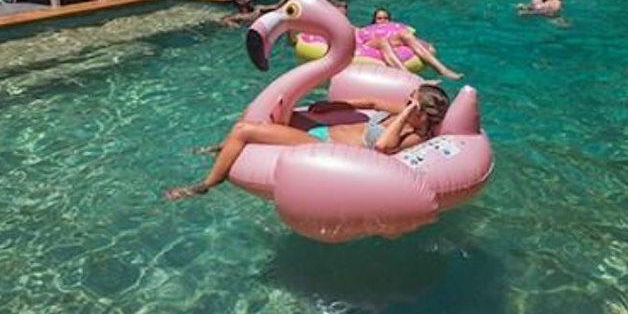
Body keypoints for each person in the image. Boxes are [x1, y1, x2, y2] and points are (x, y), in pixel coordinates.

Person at [166, 84, 451, 200]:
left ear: (420, 112)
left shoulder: (413, 134)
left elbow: (382, 148)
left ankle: (206, 185)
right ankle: (220, 148)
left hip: (325, 149)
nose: (405, 101)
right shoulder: (399, 111)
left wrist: (407, 114)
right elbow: (374, 101)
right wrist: (335, 104)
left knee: (244, 129)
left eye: (411, 100)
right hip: (323, 131)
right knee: (260, 110)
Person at [358, 8, 462, 80]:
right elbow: (361, 40)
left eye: (386, 18)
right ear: (374, 20)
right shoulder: (366, 30)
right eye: (379, 18)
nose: (383, 21)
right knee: (382, 40)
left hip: (391, 42)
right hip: (372, 44)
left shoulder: (395, 29)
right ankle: (410, 77)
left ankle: (442, 70)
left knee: (406, 35)